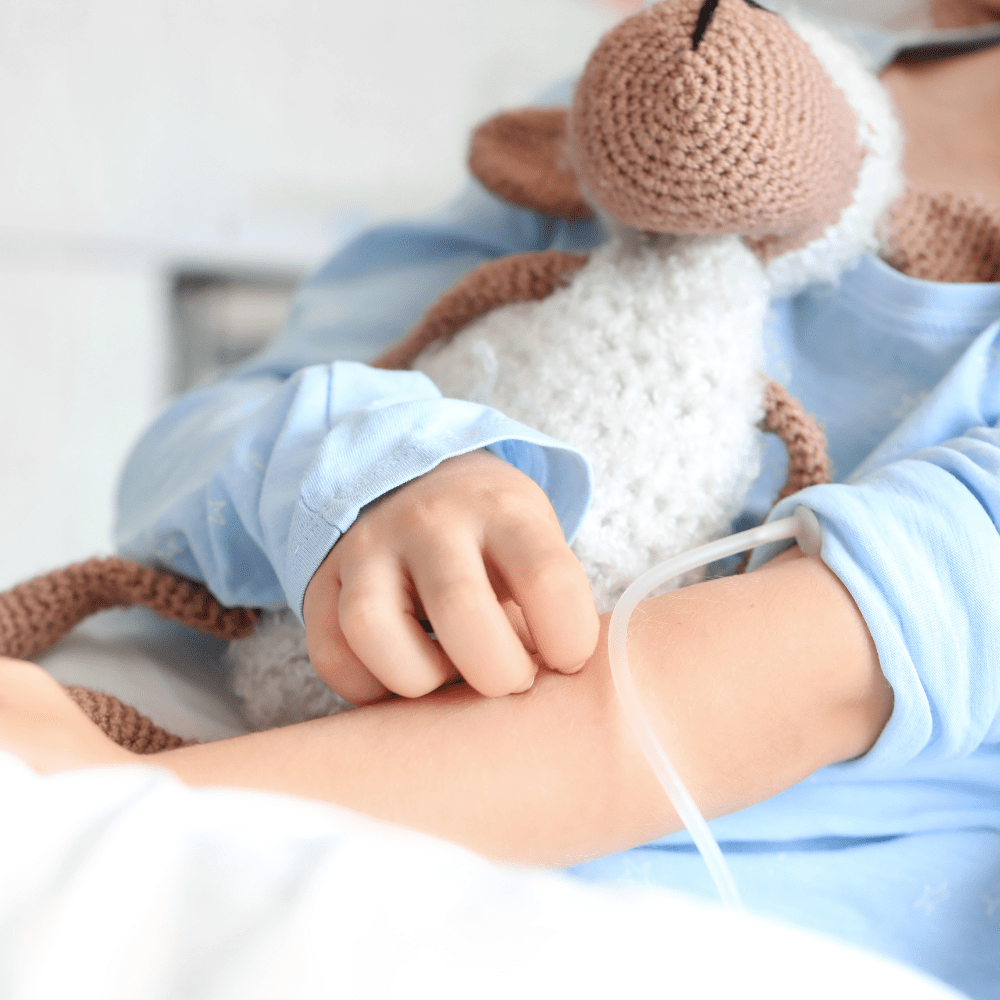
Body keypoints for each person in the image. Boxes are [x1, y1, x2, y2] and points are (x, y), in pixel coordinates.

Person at [2, 8, 1000, 999]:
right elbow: (198, 446)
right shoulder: (671, 92)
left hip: (678, 904)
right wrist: (374, 469)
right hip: (253, 710)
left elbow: (712, 704)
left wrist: (118, 796)